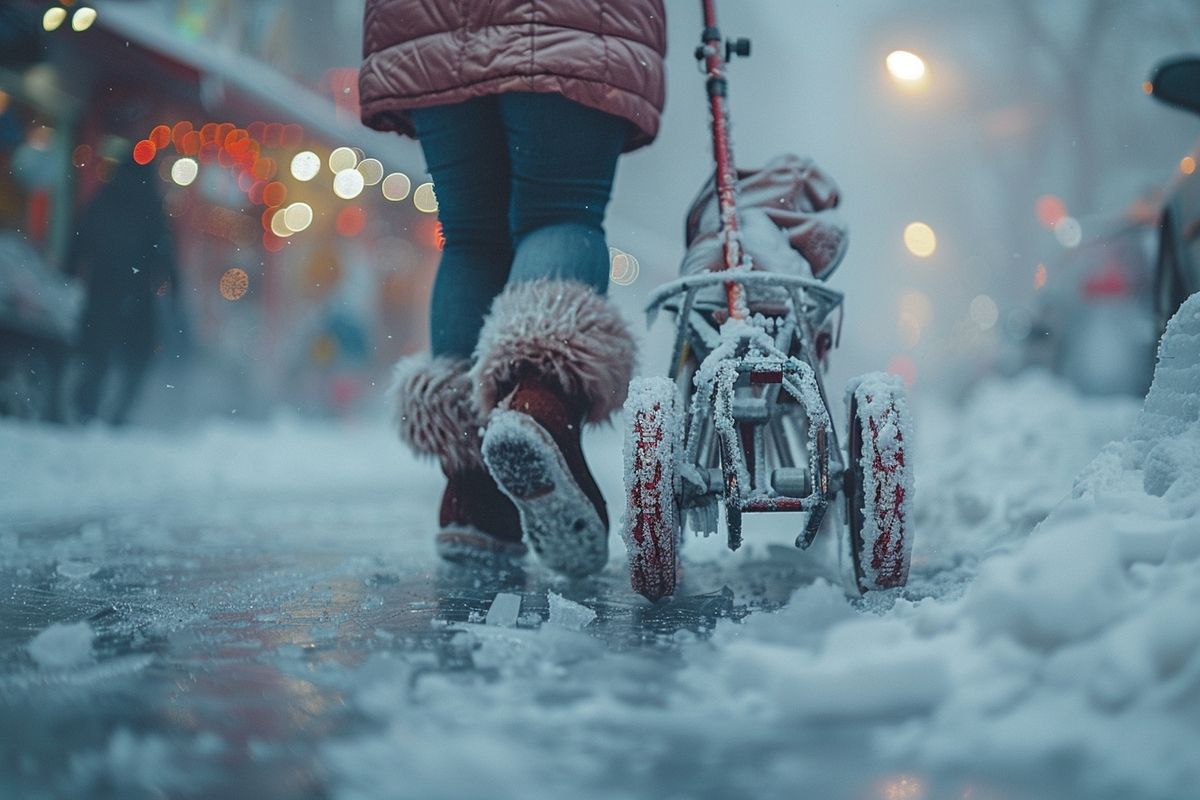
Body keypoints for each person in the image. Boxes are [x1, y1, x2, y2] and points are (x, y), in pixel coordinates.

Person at [360, 1, 667, 575]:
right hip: (569, 20)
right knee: (560, 211)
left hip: (432, 22)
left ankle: (473, 493)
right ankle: (538, 403)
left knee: (471, 235)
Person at [64, 154, 178, 425]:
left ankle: (86, 410)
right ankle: (118, 414)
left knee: (97, 355)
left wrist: (69, 271)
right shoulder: (150, 204)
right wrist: (174, 287)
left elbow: (80, 237)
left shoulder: (104, 198)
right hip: (137, 295)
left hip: (102, 291)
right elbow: (163, 251)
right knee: (137, 358)